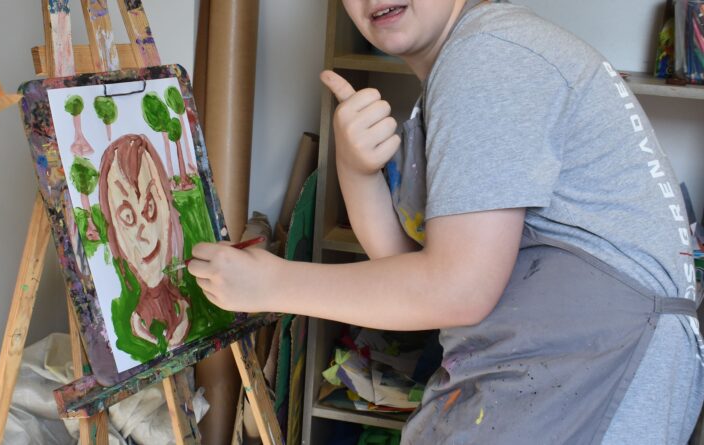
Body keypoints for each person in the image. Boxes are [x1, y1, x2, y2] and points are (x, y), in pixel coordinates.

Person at [188, 0, 704, 442]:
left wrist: (274, 286)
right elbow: (410, 276)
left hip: (597, 366)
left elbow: (458, 289)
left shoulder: (488, 55)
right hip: (565, 360)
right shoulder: (470, 58)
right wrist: (356, 170)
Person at [99, 134, 190, 360]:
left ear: (167, 207)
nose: (145, 235)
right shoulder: (132, 313)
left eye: (150, 207)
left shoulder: (182, 293)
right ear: (115, 231)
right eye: (127, 217)